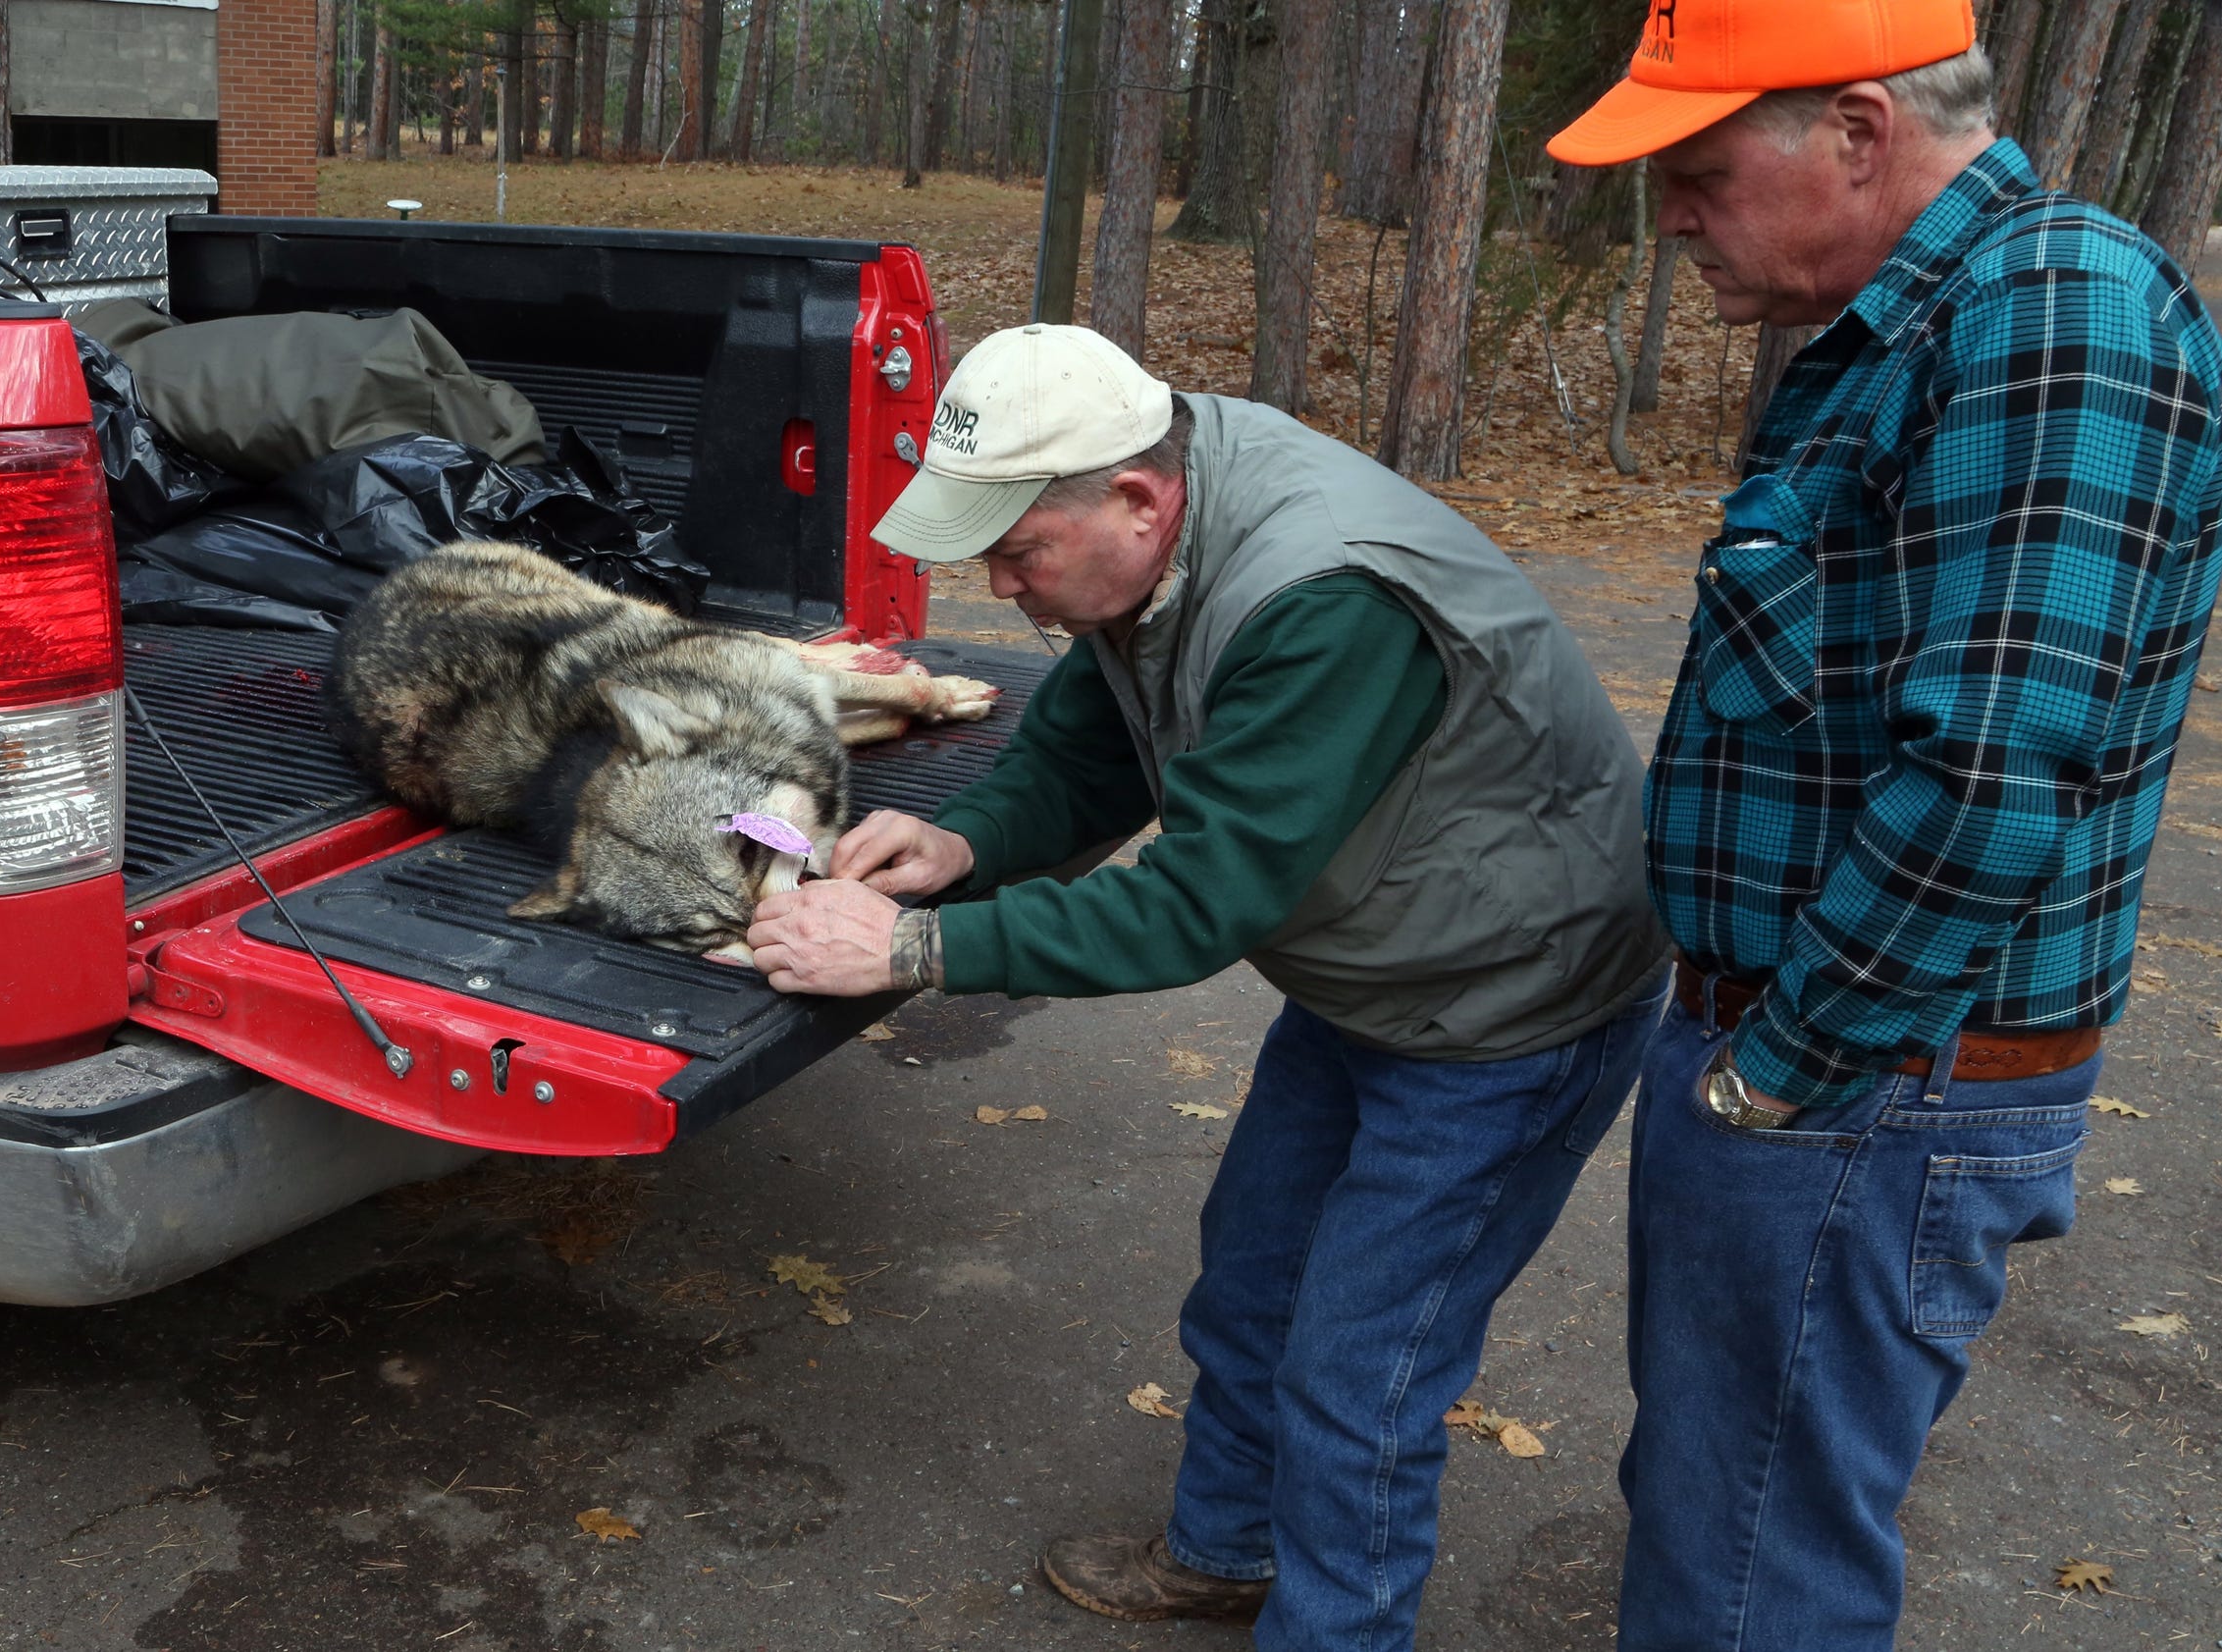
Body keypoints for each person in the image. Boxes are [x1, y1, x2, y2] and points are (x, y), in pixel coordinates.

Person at [742, 322, 1671, 1649]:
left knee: (1363, 1372)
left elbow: (1196, 903)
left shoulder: (1322, 596)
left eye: (1017, 555)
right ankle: (1227, 1550)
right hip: (1376, 968)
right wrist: (966, 843)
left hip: (1505, 1007)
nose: (1001, 592)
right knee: (1252, 1280)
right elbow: (1092, 736)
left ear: (1135, 499)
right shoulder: (1155, 512)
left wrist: (910, 949)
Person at [1544, 1, 2222, 1646]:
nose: (1672, 217)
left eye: (1698, 171)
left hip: (1866, 1079)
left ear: (1856, 132)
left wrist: (1777, 1067)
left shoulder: (2054, 314)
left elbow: (1995, 772)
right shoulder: (1920, 320)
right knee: (1723, 1503)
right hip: (1830, 1066)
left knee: (1749, 1561)